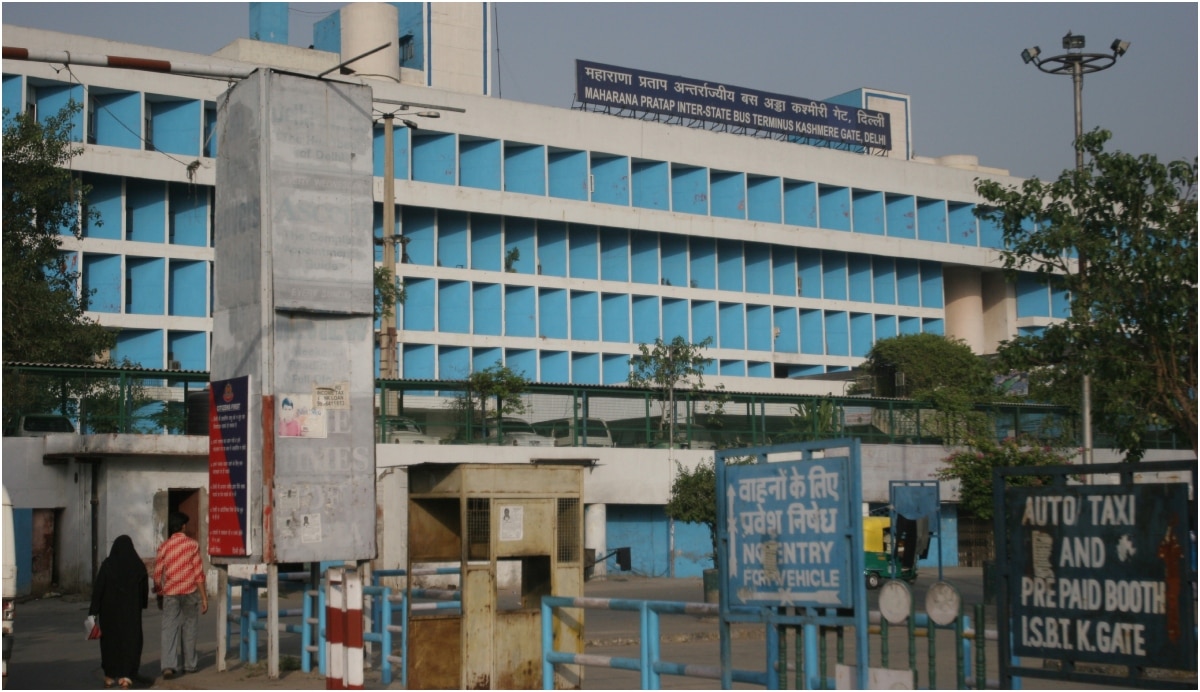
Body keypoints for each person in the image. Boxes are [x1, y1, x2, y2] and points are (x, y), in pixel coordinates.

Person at [153, 511, 207, 679]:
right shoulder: (192, 545)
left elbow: (157, 574)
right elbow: (198, 573)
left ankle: (168, 666)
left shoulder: (164, 546)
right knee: (189, 627)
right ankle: (190, 665)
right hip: (190, 591)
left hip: (171, 592)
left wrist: (160, 593)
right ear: (183, 526)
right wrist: (204, 597)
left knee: (169, 628)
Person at [89, 535, 148, 689]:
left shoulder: (108, 565)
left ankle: (109, 676)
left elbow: (98, 590)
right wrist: (140, 605)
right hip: (131, 614)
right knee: (131, 642)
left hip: (109, 614)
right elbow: (143, 593)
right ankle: (126, 677)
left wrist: (93, 612)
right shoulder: (138, 566)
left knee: (110, 643)